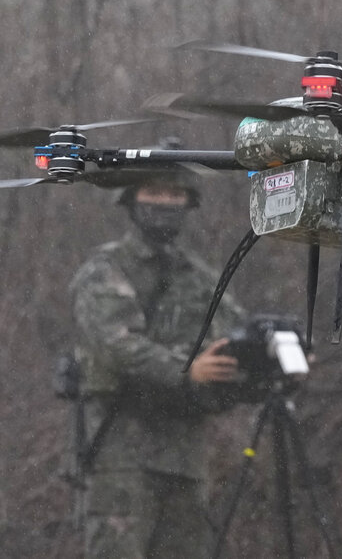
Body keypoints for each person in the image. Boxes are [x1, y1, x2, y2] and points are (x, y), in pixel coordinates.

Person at [69, 158, 244, 558]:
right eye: (154, 192)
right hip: (122, 447)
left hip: (185, 452)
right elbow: (116, 346)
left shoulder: (198, 276)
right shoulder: (106, 270)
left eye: (174, 194)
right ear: (132, 200)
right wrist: (187, 369)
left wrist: (277, 356)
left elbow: (236, 333)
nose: (165, 202)